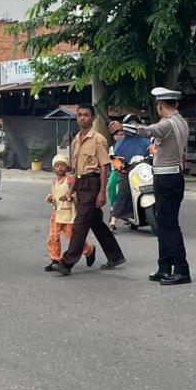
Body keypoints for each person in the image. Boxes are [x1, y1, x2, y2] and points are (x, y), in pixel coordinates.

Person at [111, 87, 191, 285]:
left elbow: (147, 131)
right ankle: (164, 268)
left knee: (169, 226)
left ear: (160, 106)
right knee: (163, 224)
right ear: (177, 104)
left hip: (166, 179)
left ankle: (181, 270)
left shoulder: (168, 124)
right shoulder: (181, 121)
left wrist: (122, 127)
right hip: (172, 177)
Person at [50, 104, 125, 275]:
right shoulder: (76, 139)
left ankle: (67, 262)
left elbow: (105, 167)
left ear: (92, 118)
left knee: (80, 224)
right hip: (81, 184)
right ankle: (115, 255)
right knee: (95, 222)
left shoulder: (98, 139)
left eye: (86, 115)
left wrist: (102, 192)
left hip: (93, 184)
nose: (82, 118)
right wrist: (71, 190)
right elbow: (77, 170)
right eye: (79, 115)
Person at [45, 153, 95, 271]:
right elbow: (56, 199)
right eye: (57, 165)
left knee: (72, 237)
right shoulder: (54, 183)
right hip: (57, 213)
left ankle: (89, 250)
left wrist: (71, 197)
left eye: (63, 165)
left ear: (67, 167)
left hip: (69, 213)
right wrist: (52, 199)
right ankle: (55, 259)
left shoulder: (70, 180)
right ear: (53, 169)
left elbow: (77, 195)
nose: (60, 167)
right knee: (53, 237)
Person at [108, 115, 152, 228]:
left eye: (135, 124)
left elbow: (152, 152)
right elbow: (116, 160)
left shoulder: (145, 141)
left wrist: (152, 156)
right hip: (126, 172)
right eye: (130, 124)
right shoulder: (120, 143)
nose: (133, 126)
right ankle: (113, 220)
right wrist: (120, 167)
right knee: (123, 191)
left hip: (144, 171)